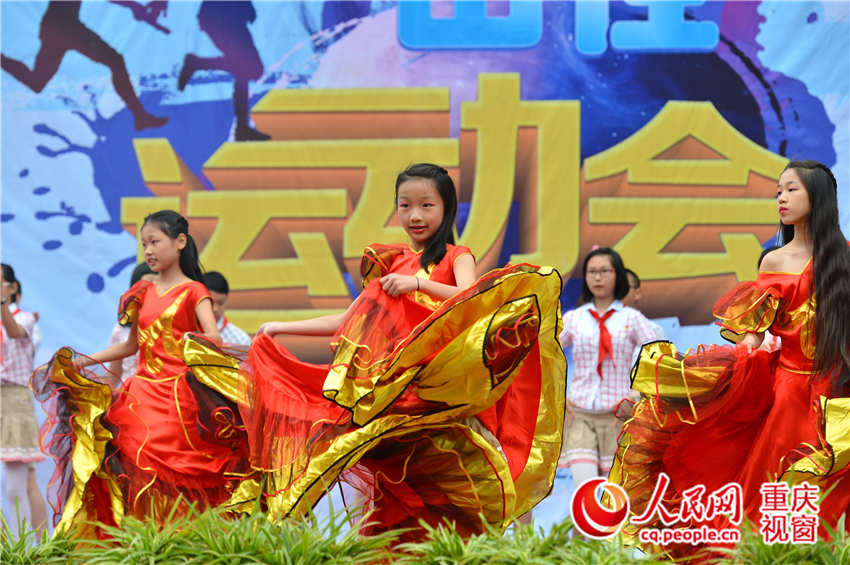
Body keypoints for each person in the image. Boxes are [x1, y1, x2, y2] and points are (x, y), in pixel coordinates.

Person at [187, 163, 566, 540]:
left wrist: (419, 284)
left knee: (473, 486)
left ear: (446, 208)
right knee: (393, 489)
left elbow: (471, 300)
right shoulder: (393, 264)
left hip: (444, 396)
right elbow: (352, 319)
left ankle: (506, 548)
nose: (415, 215)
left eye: (426, 205)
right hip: (396, 398)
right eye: (405, 205)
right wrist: (283, 327)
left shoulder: (456, 257)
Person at [610, 161, 850, 558]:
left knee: (834, 491)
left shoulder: (845, 258)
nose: (781, 198)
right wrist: (702, 379)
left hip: (839, 392)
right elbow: (754, 335)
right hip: (789, 395)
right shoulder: (774, 261)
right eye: (778, 191)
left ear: (819, 196)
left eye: (791, 189)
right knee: (776, 495)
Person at [31, 210, 249, 538]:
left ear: (180, 242)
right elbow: (131, 345)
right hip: (141, 394)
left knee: (177, 471)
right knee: (129, 460)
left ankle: (180, 538)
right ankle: (142, 539)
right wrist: (83, 362)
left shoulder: (195, 291)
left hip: (179, 398)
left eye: (154, 242)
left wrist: (193, 342)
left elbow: (214, 338)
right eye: (144, 244)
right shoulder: (142, 291)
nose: (148, 250)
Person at [557, 248, 659, 489]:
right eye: (591, 272)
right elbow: (547, 353)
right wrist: (557, 393)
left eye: (604, 271)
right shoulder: (574, 319)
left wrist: (635, 395)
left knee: (613, 493)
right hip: (579, 415)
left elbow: (656, 354)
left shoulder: (632, 319)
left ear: (617, 275)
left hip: (618, 418)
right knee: (586, 491)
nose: (597, 277)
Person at [1, 1, 169, 131]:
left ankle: (141, 116)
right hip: (65, 27)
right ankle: (140, 116)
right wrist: (133, 5)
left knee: (37, 82)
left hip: (56, 26)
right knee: (116, 61)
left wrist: (133, 6)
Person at [178, 1, 270, 141]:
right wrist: (248, 11)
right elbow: (249, 14)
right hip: (225, 21)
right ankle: (241, 128)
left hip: (221, 20)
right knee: (249, 68)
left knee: (246, 69)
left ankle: (196, 63)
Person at [1, 264, 47, 535]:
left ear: (12, 287)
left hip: (14, 401)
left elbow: (14, 331)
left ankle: (24, 550)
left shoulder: (26, 318)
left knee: (17, 485)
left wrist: (1, 302)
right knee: (22, 483)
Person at [107, 262, 155, 382]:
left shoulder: (172, 326)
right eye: (144, 288)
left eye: (155, 287)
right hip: (128, 391)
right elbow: (113, 377)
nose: (149, 293)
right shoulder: (121, 330)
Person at [201, 271, 251, 345]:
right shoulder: (186, 332)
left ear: (227, 299)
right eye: (211, 302)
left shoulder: (241, 340)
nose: (215, 309)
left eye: (221, 303)